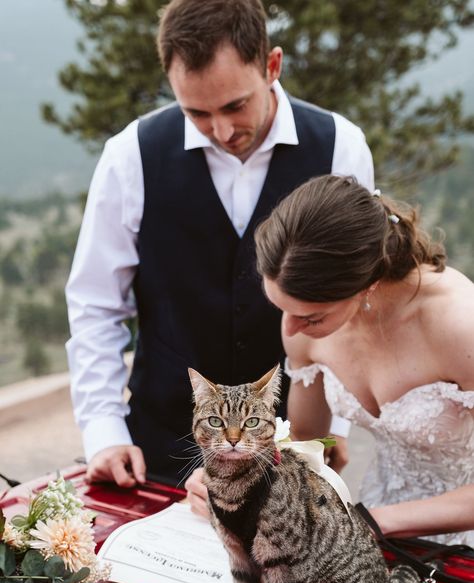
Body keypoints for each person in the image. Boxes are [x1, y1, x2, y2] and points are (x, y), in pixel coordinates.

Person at [65, 0, 374, 490]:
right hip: (159, 449)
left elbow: (350, 303)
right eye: (197, 113)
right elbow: (96, 305)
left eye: (235, 105)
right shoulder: (129, 155)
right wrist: (103, 431)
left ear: (272, 66)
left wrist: (330, 432)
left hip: (286, 448)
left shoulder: (341, 145)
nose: (223, 131)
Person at [254, 174, 474, 545]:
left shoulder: (460, 324)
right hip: (373, 525)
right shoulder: (302, 319)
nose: (290, 331)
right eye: (281, 309)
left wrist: (370, 521)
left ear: (367, 284)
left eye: (312, 317)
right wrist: (240, 474)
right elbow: (308, 440)